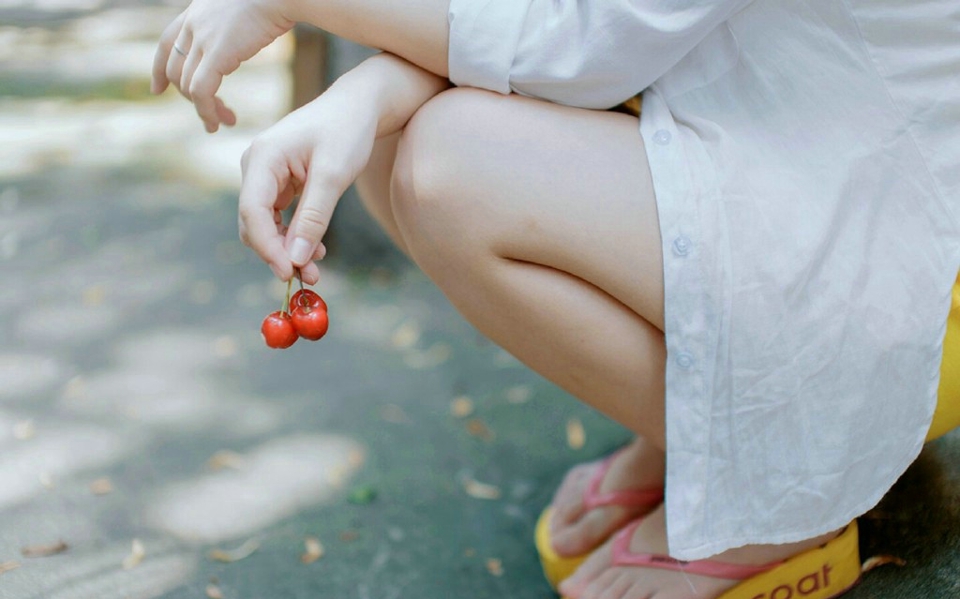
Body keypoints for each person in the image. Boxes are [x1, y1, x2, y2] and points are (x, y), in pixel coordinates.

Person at [151, 1, 960, 597]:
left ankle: (783, 498)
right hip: (788, 152)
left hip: (910, 256)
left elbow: (585, 43)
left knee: (451, 166)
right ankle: (701, 433)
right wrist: (364, 97)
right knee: (390, 140)